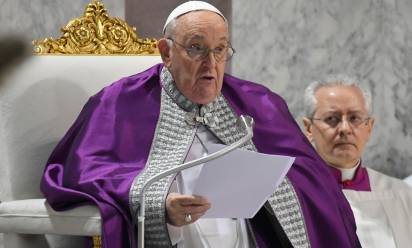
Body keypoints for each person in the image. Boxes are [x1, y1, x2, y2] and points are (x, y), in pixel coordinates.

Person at [41, 2, 360, 247]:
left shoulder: (258, 102)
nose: (211, 64)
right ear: (166, 51)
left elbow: (312, 175)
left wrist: (270, 183)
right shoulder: (117, 102)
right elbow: (84, 174)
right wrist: (159, 206)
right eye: (196, 48)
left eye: (220, 49)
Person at [302, 75, 412, 248]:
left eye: (354, 118)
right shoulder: (296, 194)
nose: (345, 129)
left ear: (369, 127)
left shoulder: (402, 194)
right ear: (309, 128)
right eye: (332, 118)